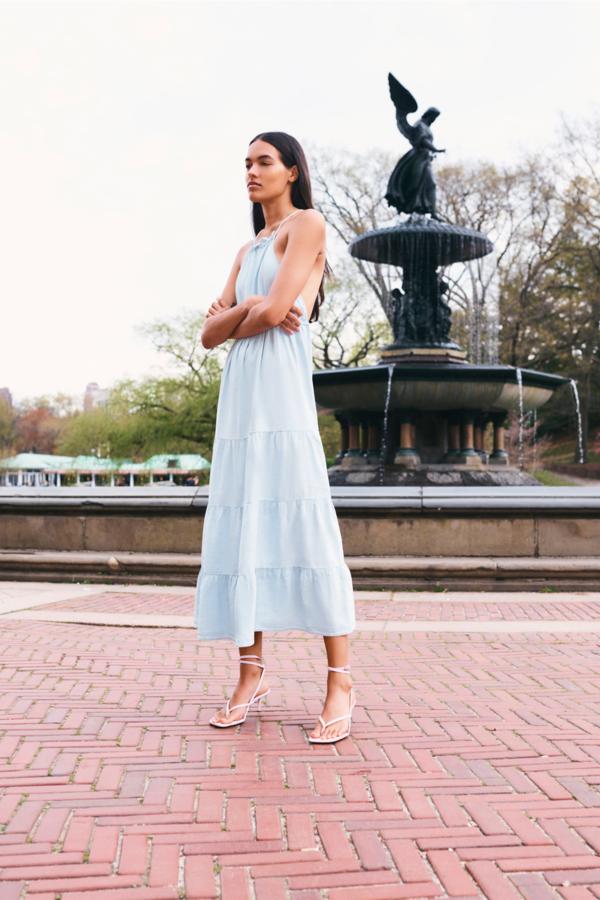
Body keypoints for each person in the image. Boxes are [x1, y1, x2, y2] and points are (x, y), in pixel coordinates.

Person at [194, 131, 356, 743]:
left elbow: (275, 312)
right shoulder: (247, 246)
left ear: (292, 171)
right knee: (241, 525)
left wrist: (247, 310)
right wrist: (252, 309)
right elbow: (211, 335)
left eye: (263, 162)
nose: (251, 172)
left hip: (282, 394)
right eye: (246, 163)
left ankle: (340, 681)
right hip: (241, 396)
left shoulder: (307, 226)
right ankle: (250, 674)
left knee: (305, 522)